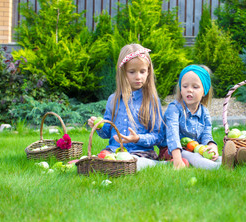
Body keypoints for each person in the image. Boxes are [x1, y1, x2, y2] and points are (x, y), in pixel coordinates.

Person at [88, 43, 165, 171]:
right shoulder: (113, 100)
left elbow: (158, 136)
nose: (138, 76)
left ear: (148, 72)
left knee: (133, 163)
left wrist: (137, 139)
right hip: (115, 151)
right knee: (99, 162)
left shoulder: (151, 100)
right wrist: (99, 126)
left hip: (141, 152)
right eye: (132, 72)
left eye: (142, 71)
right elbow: (107, 133)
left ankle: (156, 164)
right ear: (123, 72)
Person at [159, 64, 222, 170]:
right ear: (180, 89)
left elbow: (207, 136)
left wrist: (212, 147)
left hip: (194, 148)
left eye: (195, 87)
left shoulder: (204, 112)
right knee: (193, 156)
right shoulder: (174, 109)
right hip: (171, 150)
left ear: (204, 91)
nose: (189, 90)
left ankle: (227, 160)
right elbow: (172, 135)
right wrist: (177, 160)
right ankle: (215, 167)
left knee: (208, 155)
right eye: (185, 86)